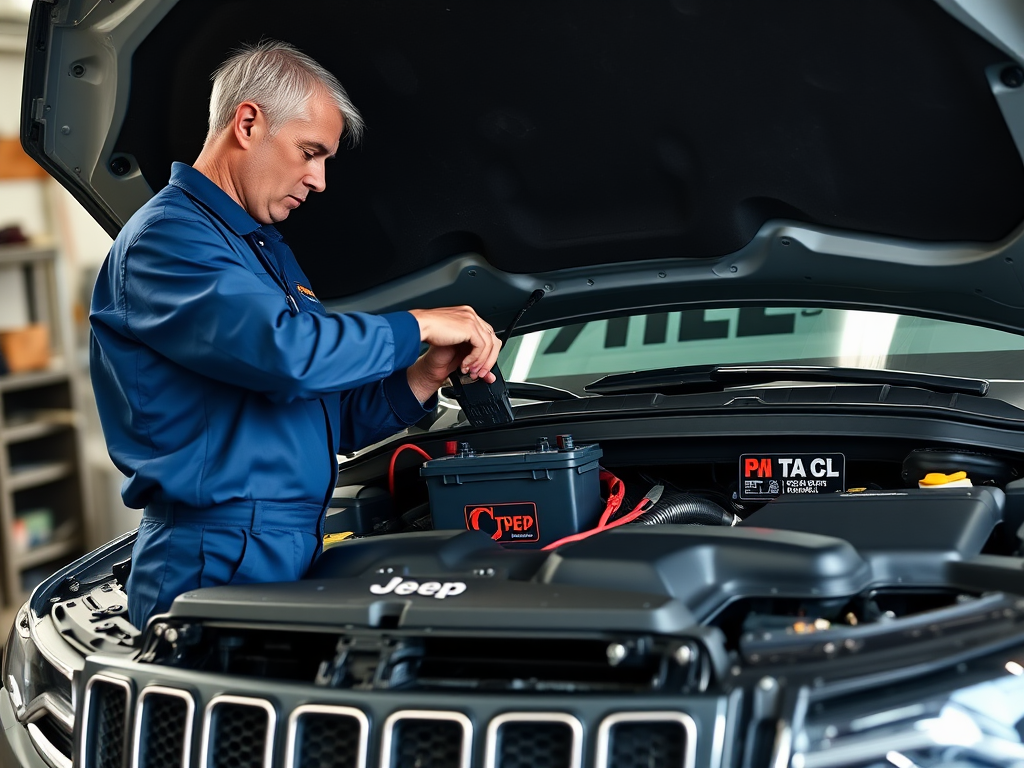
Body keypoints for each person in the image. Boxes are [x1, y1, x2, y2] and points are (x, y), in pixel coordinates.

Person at [89, 40, 500, 628]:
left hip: (286, 540)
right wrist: (419, 325)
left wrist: (422, 374)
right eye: (311, 152)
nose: (320, 179)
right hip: (215, 553)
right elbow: (289, 355)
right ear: (249, 122)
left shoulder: (260, 252)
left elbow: (328, 414)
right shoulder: (169, 241)